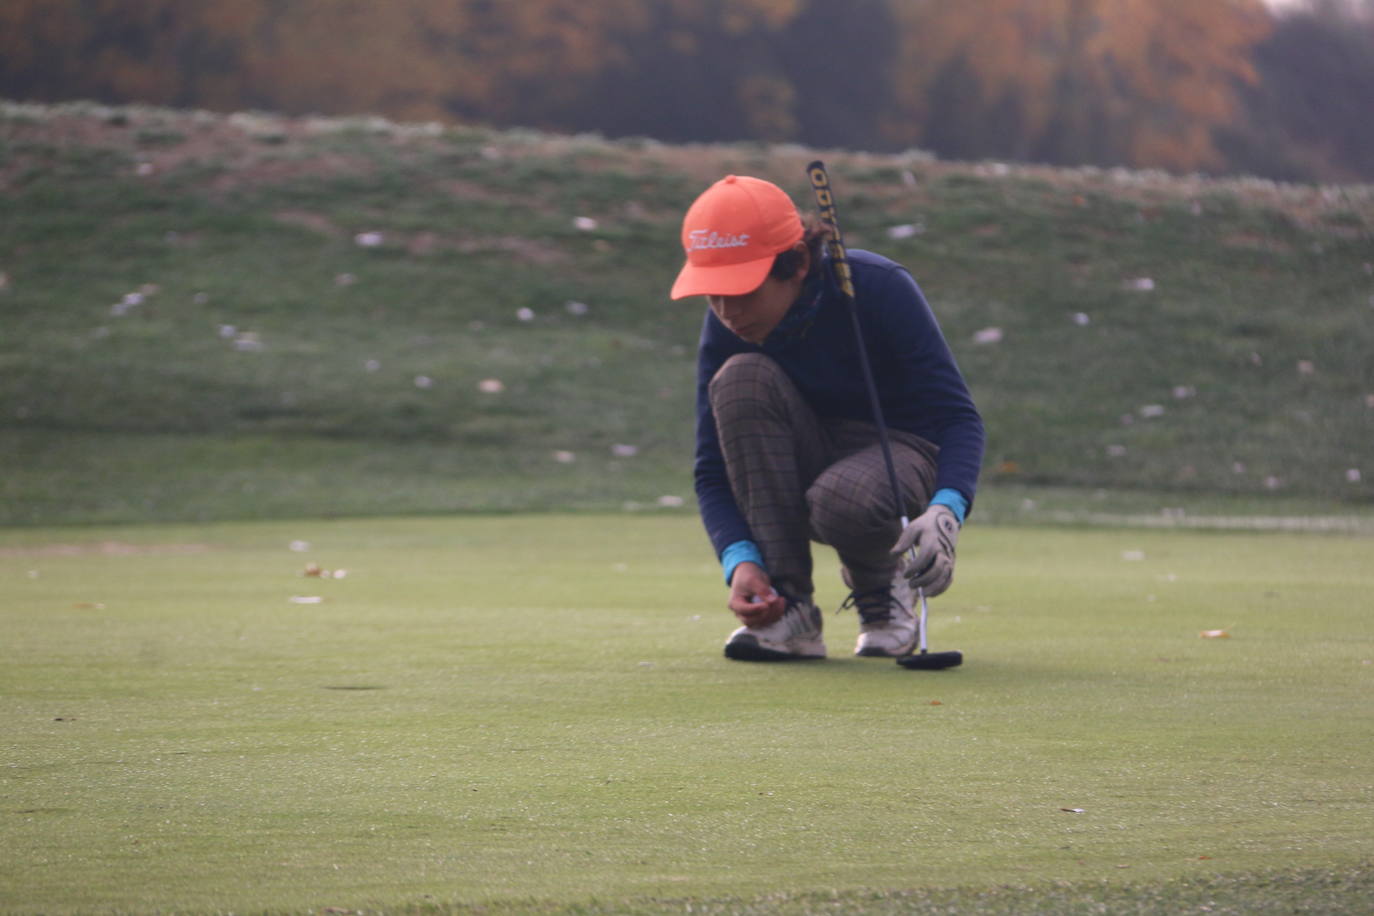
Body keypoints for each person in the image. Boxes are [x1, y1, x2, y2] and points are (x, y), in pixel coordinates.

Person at [669, 174, 985, 661]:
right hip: (804, 462)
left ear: (795, 264)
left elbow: (958, 417)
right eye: (714, 291)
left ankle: (885, 593)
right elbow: (713, 469)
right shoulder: (728, 323)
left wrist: (947, 508)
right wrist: (741, 561)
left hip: (900, 457)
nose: (727, 310)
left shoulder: (880, 288)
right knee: (740, 378)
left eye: (741, 289)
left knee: (843, 497)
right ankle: (786, 607)